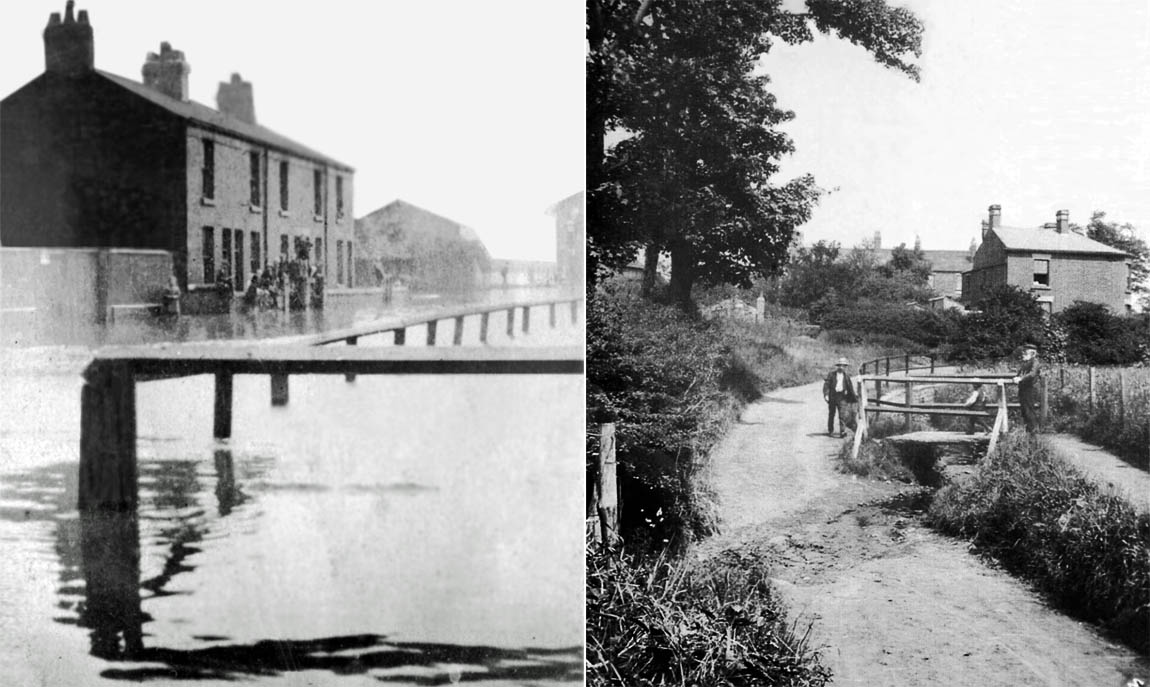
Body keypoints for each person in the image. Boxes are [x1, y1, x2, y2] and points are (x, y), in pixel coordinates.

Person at [823, 357, 857, 437]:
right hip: (833, 396)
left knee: (842, 415)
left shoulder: (846, 376)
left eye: (843, 366)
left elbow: (850, 387)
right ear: (837, 366)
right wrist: (826, 394)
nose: (841, 367)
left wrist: (853, 397)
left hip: (842, 397)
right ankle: (830, 430)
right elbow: (826, 385)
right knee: (831, 414)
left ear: (845, 367)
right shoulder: (831, 374)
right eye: (840, 365)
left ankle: (842, 431)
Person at [1012, 344, 1042, 432]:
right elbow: (1020, 373)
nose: (1023, 355)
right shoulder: (1025, 363)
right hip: (1023, 390)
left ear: (1032, 354)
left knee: (1029, 411)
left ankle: (1033, 434)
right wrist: (1016, 377)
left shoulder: (1035, 362)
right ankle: (1028, 433)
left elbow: (1032, 374)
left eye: (1025, 353)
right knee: (1024, 412)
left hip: (1030, 389)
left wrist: (1020, 379)